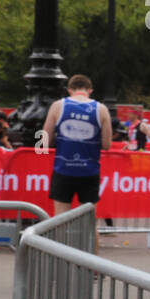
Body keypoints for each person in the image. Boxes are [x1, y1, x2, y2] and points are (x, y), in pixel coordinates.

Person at [43, 74, 111, 216]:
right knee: (89, 223)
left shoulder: (57, 106)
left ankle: (60, 239)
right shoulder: (101, 109)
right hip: (89, 171)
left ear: (69, 90)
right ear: (90, 90)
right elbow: (106, 144)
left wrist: (61, 135)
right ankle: (90, 239)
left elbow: (44, 140)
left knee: (60, 220)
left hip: (63, 170)